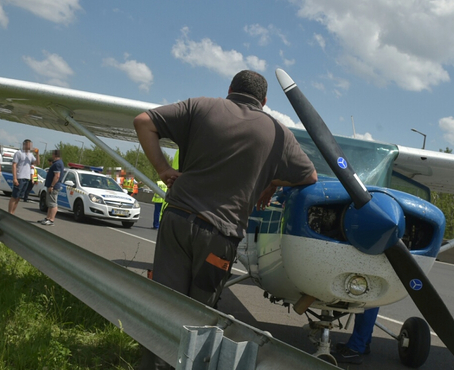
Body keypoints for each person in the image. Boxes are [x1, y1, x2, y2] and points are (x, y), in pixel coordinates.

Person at [133, 70, 318, 369]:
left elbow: (143, 122)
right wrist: (271, 183)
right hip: (220, 234)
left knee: (165, 303)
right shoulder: (278, 132)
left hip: (178, 218)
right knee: (201, 315)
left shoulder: (201, 106)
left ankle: (154, 363)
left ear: (230, 88)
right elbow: (309, 177)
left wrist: (163, 169)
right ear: (265, 100)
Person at [8, 139, 38, 215]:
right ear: (24, 145)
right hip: (20, 177)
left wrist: (37, 154)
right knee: (14, 196)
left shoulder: (31, 155)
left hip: (26, 178)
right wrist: (15, 178)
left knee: (19, 197)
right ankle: (9, 212)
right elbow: (14, 165)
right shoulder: (19, 153)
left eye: (31, 145)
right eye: (29, 145)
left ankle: (13, 212)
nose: (30, 146)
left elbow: (37, 163)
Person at [39, 150, 63, 226]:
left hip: (54, 187)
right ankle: (48, 218)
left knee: (53, 203)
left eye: (52, 154)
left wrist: (52, 185)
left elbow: (57, 176)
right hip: (51, 186)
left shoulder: (57, 164)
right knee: (49, 203)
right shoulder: (57, 163)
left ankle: (51, 220)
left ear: (54, 155)